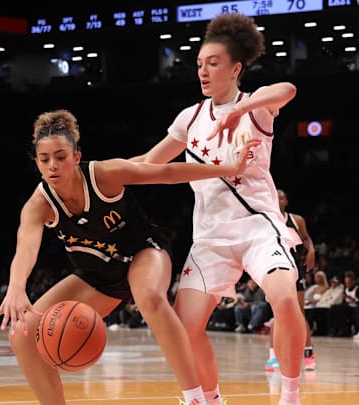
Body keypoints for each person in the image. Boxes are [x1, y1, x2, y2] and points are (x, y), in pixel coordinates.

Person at [0, 109, 258, 405]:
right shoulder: (38, 205)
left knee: (149, 297)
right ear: (37, 163)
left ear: (76, 157)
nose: (53, 165)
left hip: (143, 252)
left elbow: (166, 173)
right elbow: (25, 248)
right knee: (22, 334)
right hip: (98, 276)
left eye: (61, 156)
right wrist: (16, 287)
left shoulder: (104, 175)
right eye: (45, 159)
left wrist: (229, 168)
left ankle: (196, 399)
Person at [130, 13, 305, 405]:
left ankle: (290, 395)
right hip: (210, 237)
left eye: (212, 63)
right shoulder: (189, 118)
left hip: (258, 226)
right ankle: (211, 400)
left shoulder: (255, 107)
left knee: (285, 298)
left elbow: (287, 88)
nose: (203, 72)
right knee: (185, 326)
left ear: (236, 68)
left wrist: (239, 112)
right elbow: (149, 163)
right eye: (198, 64)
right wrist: (100, 175)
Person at [265, 189, 316, 372]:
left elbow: (306, 239)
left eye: (282, 197)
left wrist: (311, 250)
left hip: (295, 270)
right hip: (275, 271)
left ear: (286, 201)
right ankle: (273, 357)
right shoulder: (265, 219)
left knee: (300, 313)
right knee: (276, 315)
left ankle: (309, 354)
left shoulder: (296, 220)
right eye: (275, 196)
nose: (278, 199)